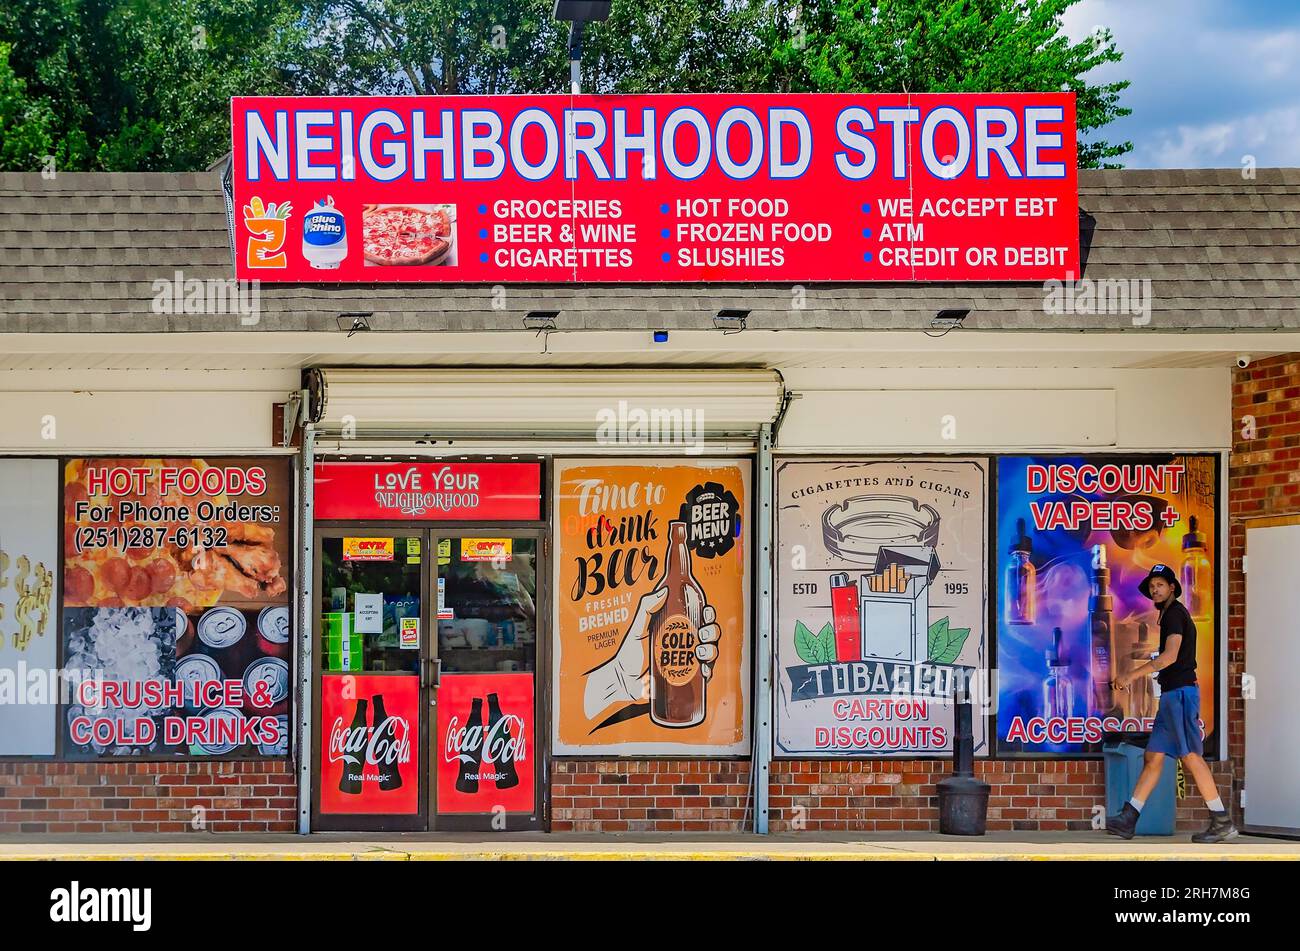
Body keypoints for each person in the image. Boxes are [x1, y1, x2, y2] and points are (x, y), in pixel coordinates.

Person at [1105, 564, 1237, 843]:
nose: (1155, 589)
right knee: (1153, 758)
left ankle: (1221, 820)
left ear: (1172, 588)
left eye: (1160, 585)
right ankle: (1129, 818)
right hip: (1171, 696)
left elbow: (1169, 657)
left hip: (1180, 694)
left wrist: (1130, 675)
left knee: (1190, 755)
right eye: (1152, 586)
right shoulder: (1168, 615)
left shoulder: (1175, 614)